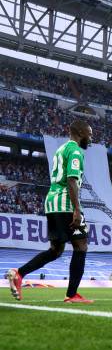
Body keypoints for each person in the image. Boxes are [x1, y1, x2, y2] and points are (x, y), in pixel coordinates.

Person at [6, 120, 94, 303]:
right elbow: (71, 180)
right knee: (81, 245)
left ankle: (19, 273)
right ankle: (71, 295)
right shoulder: (75, 151)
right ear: (79, 132)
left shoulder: (61, 150)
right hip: (66, 203)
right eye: (89, 133)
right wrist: (77, 209)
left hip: (52, 202)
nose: (91, 137)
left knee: (56, 250)